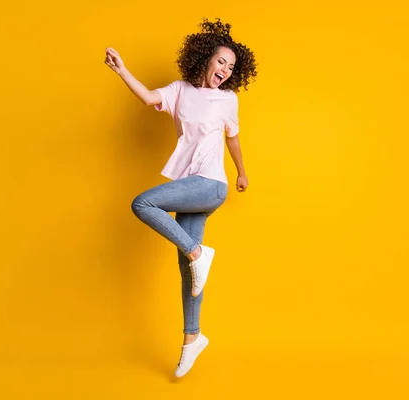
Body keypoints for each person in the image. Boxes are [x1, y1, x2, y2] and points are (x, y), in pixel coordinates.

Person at [104, 18, 257, 378]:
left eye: (232, 67)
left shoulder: (227, 99)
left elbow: (232, 138)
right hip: (191, 186)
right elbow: (147, 97)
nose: (226, 70)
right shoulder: (179, 91)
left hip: (210, 185)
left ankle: (198, 253)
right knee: (189, 273)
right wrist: (122, 70)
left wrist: (242, 171)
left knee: (143, 203)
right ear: (205, 58)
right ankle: (192, 338)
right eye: (222, 61)